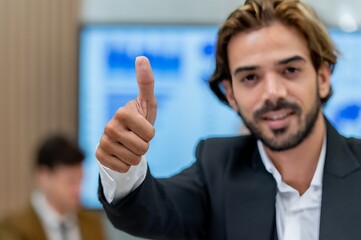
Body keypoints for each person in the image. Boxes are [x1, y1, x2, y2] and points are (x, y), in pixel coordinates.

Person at [95, 0, 361, 239]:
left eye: (290, 70)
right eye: (250, 78)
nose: (272, 93)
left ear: (323, 78)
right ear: (231, 94)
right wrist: (123, 167)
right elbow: (152, 213)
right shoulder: (217, 168)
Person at [0, 134, 105, 240]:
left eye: (80, 180)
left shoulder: (93, 224)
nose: (78, 189)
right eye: (70, 181)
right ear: (43, 177)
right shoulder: (14, 227)